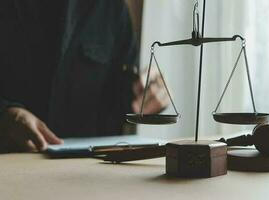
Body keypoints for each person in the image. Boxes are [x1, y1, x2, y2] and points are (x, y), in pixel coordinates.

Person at [0, 0, 168, 153]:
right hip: (9, 164)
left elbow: (119, 105)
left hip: (83, 172)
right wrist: (5, 114)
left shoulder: (113, 8)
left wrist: (149, 94)